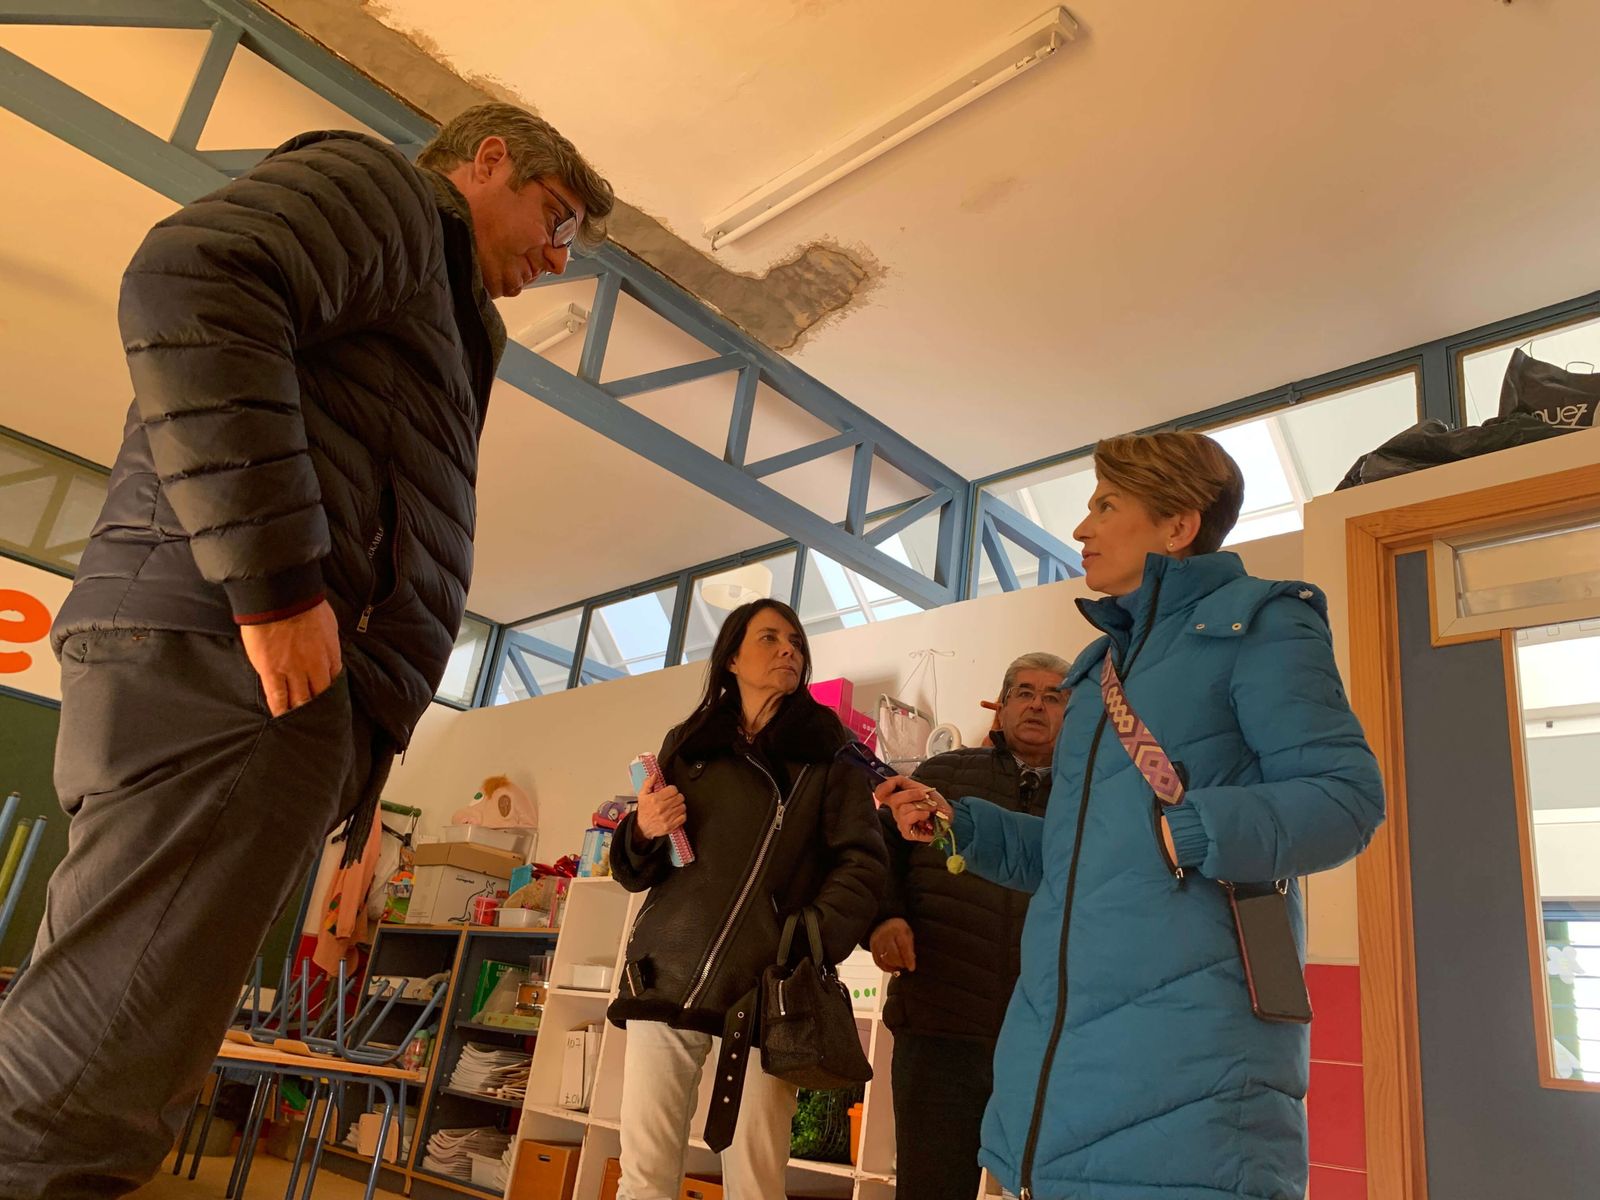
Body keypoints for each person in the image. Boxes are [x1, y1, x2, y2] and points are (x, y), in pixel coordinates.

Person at [0, 104, 614, 1197]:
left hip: (261, 686)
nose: (557, 256)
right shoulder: (390, 196)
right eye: (556, 217)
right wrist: (279, 584)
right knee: (101, 1065)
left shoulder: (437, 299)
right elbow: (195, 277)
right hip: (236, 657)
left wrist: (356, 751)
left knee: (117, 1028)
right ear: (486, 161)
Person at [880, 431, 1385, 1200]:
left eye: (1105, 505)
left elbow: (1345, 799)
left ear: (1177, 527)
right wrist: (961, 825)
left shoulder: (1262, 623)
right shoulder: (1100, 670)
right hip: (1060, 1072)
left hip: (1187, 1065)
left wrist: (1191, 828)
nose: (1081, 528)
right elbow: (1074, 856)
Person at [608, 599, 887, 1200]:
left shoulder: (829, 752)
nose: (790, 649)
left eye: (796, 640)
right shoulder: (690, 741)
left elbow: (863, 863)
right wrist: (642, 829)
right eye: (770, 638)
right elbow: (638, 870)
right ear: (732, 657)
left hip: (769, 993)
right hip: (667, 975)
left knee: (755, 1186)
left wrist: (806, 938)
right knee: (644, 1180)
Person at [867, 651, 1069, 1200]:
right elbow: (877, 852)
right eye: (1024, 692)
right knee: (930, 1187)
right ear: (1000, 709)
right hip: (941, 1024)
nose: (1037, 704)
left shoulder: (1092, 798)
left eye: (1054, 695)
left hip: (1054, 1039)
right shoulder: (942, 776)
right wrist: (885, 918)